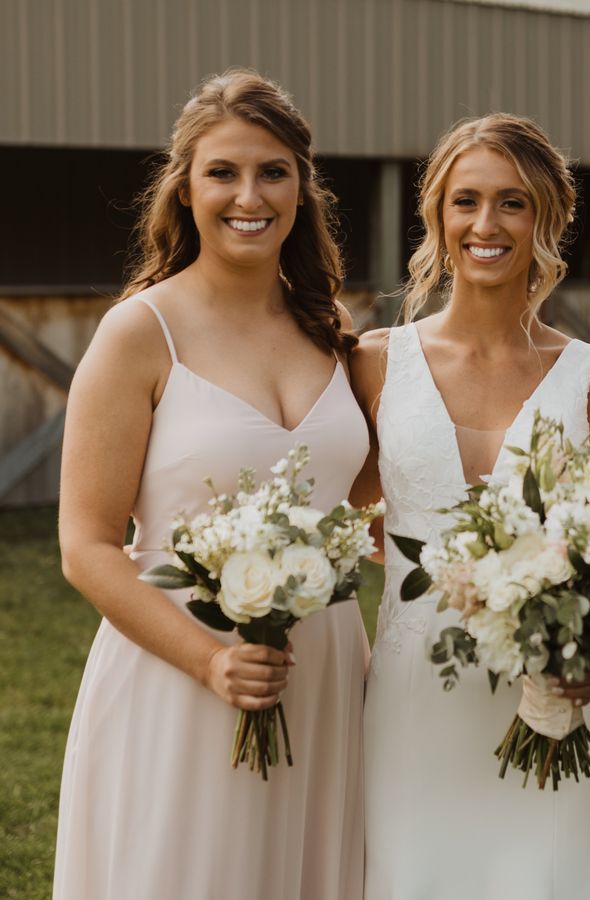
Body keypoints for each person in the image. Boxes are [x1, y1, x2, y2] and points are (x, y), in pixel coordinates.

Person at [55, 70, 368, 899]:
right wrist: (211, 662)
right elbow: (86, 546)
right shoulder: (139, 332)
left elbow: (369, 499)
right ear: (185, 189)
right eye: (223, 172)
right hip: (185, 670)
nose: (249, 196)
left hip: (323, 669)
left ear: (302, 188)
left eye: (273, 172)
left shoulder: (331, 328)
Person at [349, 113, 590, 899]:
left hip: (555, 704)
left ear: (548, 216)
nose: (487, 224)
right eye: (466, 200)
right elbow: (349, 523)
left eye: (513, 202)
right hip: (414, 705)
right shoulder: (373, 364)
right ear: (437, 215)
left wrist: (582, 648)